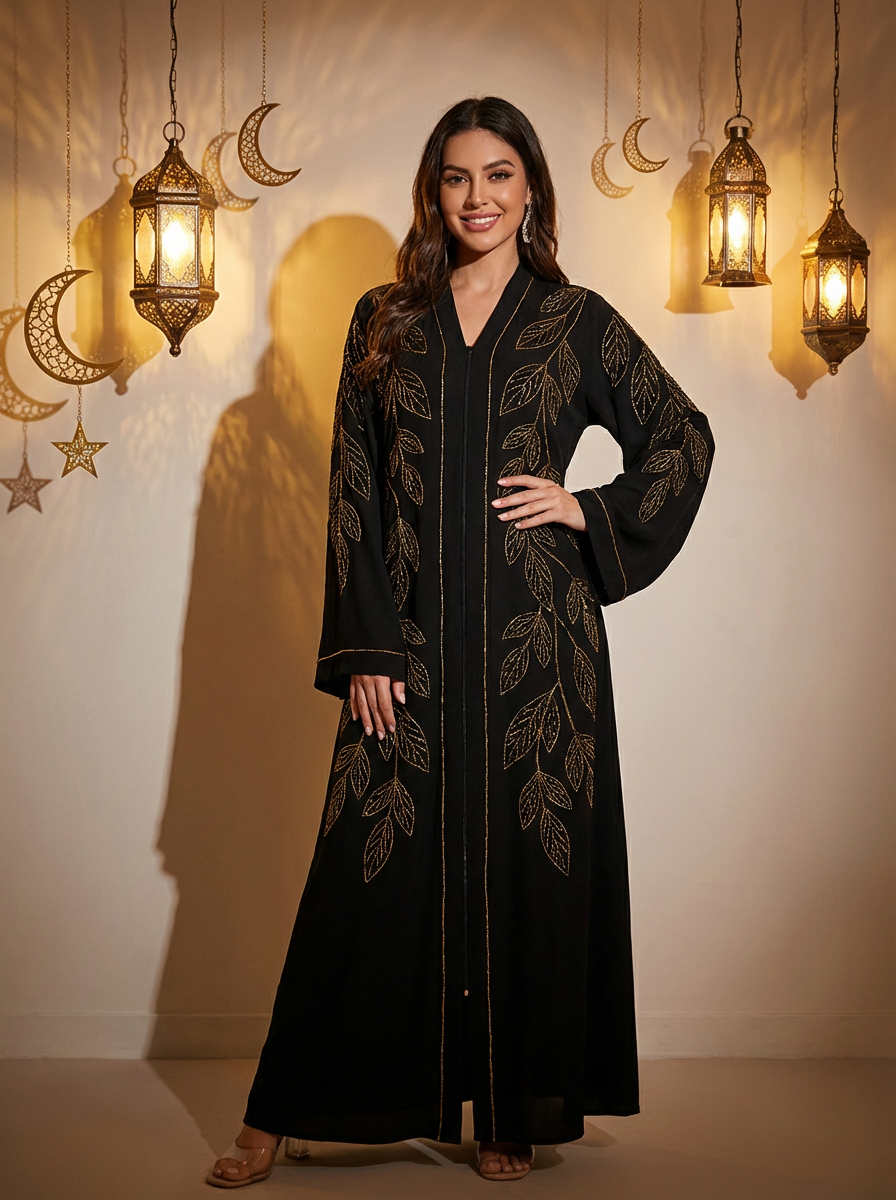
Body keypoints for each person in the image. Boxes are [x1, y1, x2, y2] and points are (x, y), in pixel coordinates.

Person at [208, 95, 713, 1188]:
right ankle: (279, 1110)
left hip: (540, 649)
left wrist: (585, 507)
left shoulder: (574, 320)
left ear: (529, 189)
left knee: (532, 870)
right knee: (364, 869)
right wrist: (367, 648)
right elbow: (353, 490)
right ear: (432, 192)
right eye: (455, 177)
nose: (476, 197)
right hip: (413, 642)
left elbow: (682, 435)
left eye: (497, 175)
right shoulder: (384, 320)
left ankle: (510, 1105)